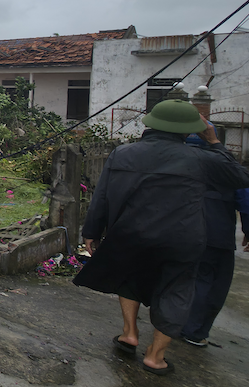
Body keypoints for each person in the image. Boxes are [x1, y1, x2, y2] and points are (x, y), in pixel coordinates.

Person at [74, 99, 249, 376]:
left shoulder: (123, 153)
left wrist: (91, 231)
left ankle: (129, 334)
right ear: (189, 130)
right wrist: (215, 142)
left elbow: (103, 196)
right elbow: (240, 177)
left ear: (151, 124)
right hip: (181, 239)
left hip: (129, 233)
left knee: (128, 279)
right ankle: (156, 356)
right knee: (175, 291)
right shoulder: (201, 159)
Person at [181, 183, 249, 347]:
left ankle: (170, 324)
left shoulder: (184, 160)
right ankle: (194, 331)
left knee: (180, 278)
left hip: (182, 232)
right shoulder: (228, 169)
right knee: (212, 283)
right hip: (216, 235)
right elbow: (246, 202)